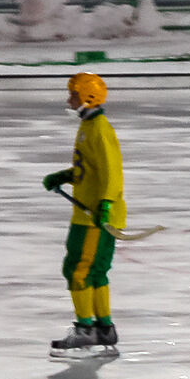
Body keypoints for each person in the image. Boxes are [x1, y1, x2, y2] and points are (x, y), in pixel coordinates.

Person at [41, 71, 124, 357]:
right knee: (95, 271)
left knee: (78, 270)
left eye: (73, 95)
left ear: (88, 97)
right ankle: (104, 328)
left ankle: (86, 330)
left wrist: (106, 204)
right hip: (89, 213)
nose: (69, 99)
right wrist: (65, 176)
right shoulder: (89, 125)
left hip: (94, 216)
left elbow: (112, 172)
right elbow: (90, 168)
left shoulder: (99, 129)